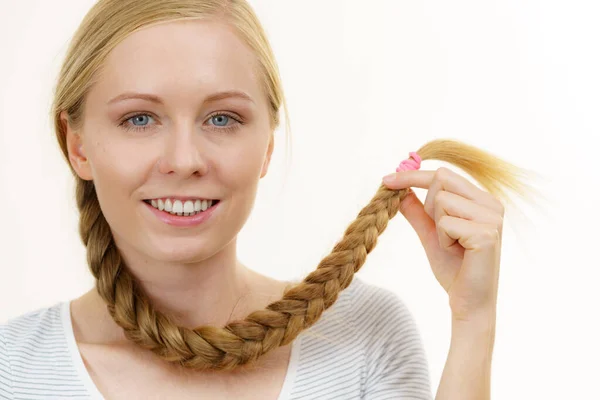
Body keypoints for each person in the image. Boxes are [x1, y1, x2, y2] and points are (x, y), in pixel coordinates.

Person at [0, 0, 528, 399]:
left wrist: (473, 321)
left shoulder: (367, 336)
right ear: (78, 145)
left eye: (222, 118)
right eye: (139, 118)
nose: (184, 160)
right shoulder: (12, 369)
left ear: (267, 147)